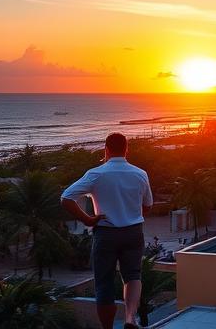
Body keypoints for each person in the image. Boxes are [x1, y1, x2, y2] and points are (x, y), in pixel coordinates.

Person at [62, 133, 152, 329]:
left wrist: (88, 219)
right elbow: (148, 205)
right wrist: (131, 213)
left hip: (106, 233)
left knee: (104, 283)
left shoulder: (96, 174)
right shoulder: (140, 173)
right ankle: (130, 319)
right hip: (133, 232)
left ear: (106, 149)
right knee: (133, 276)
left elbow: (66, 197)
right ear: (126, 149)